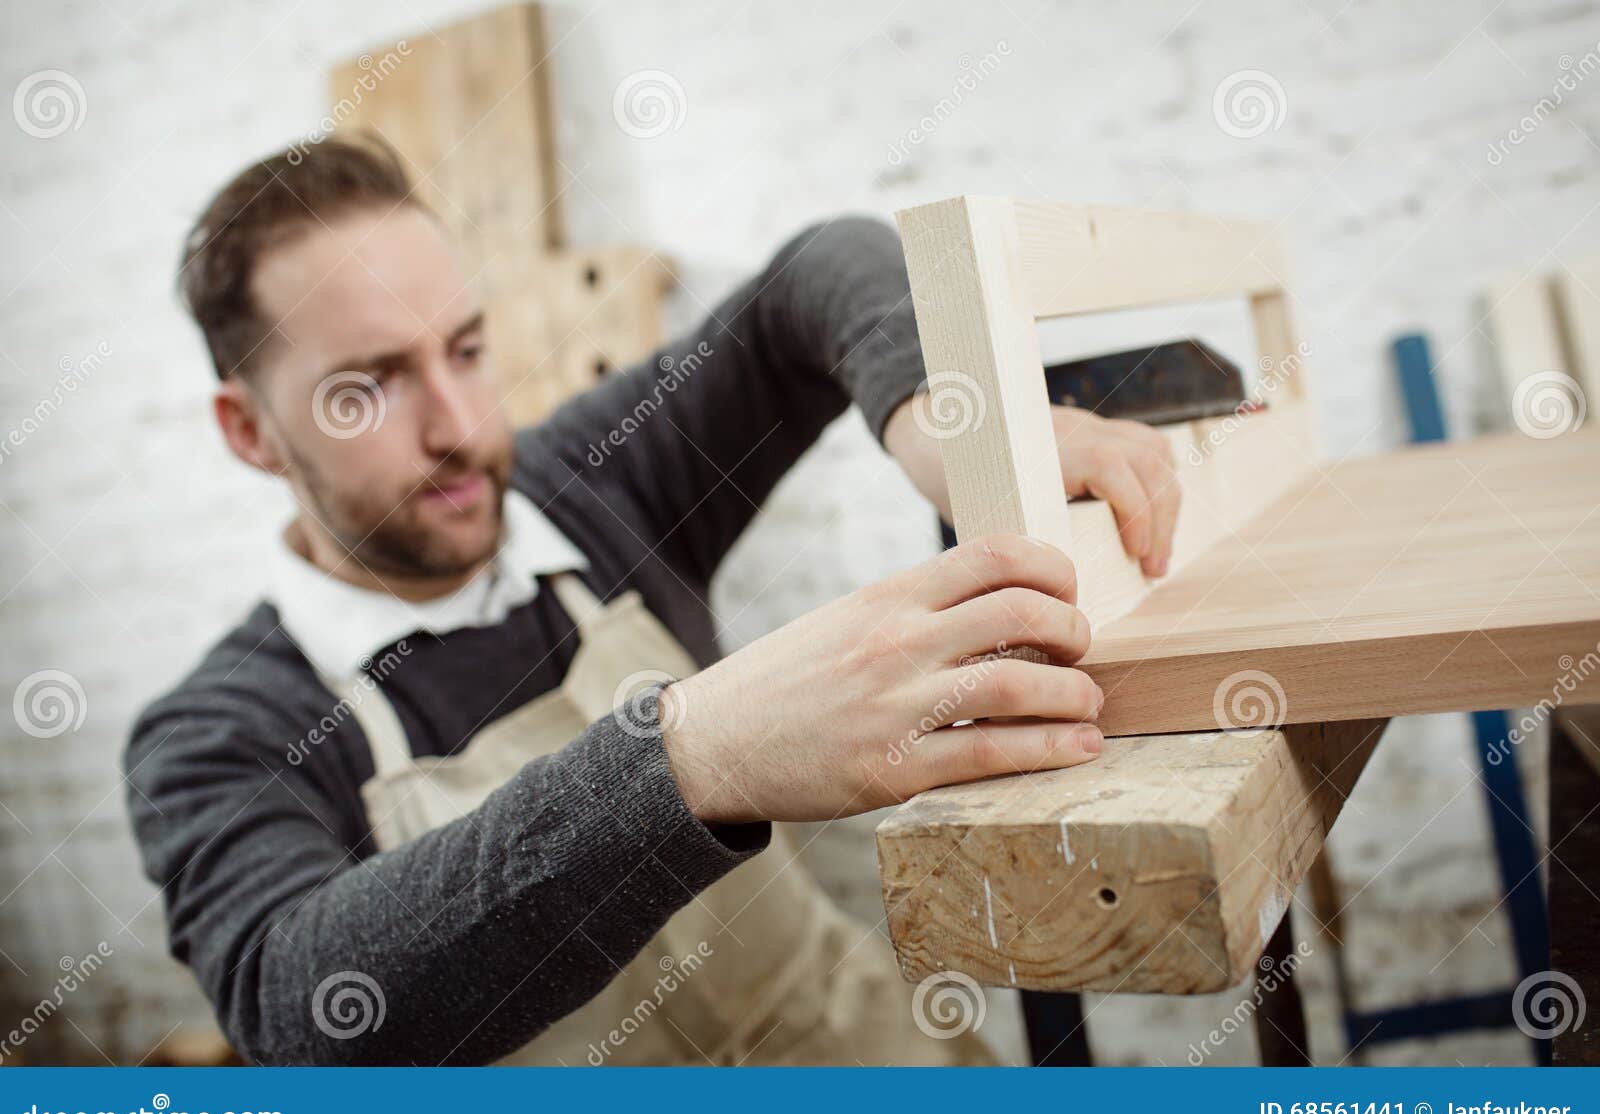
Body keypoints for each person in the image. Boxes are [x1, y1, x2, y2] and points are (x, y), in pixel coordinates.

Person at [124, 136, 1179, 1065]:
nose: (456, 424)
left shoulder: (597, 488)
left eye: (467, 350)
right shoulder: (219, 732)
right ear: (249, 430)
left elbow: (815, 274)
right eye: (371, 384)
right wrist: (696, 756)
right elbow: (304, 1015)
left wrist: (941, 415)